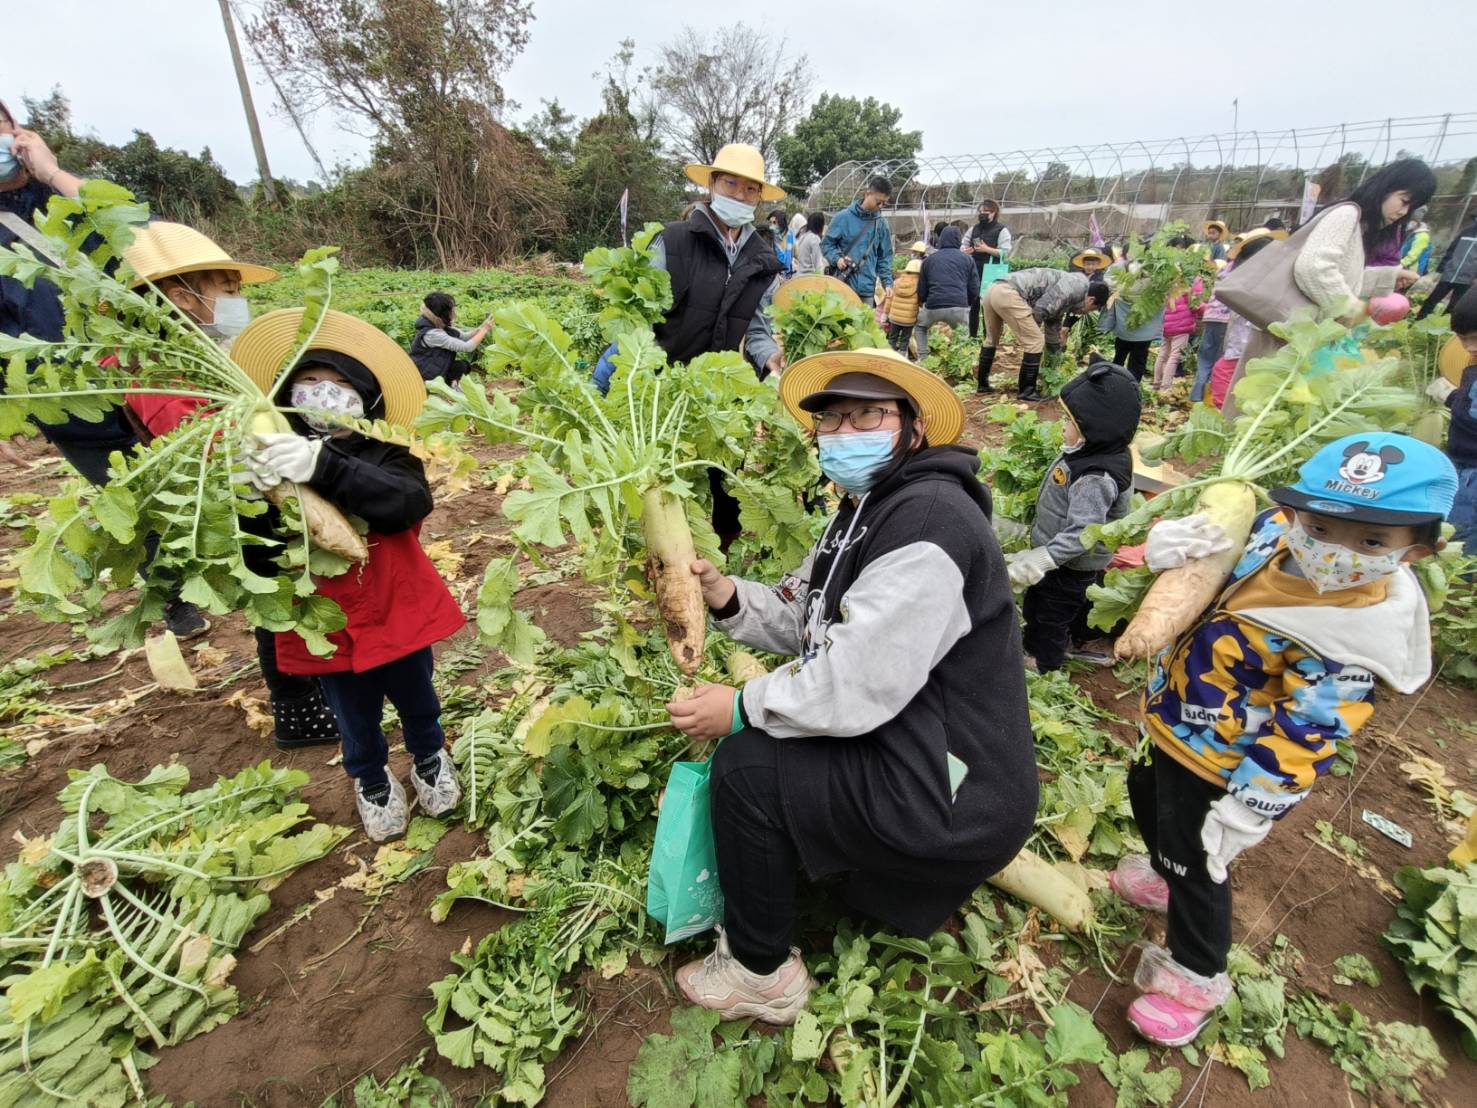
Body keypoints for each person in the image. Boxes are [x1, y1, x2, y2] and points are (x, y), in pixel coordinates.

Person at [665, 347, 1037, 1024]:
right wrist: (724, 598)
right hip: (924, 748)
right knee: (769, 746)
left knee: (748, 767)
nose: (845, 435)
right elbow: (807, 616)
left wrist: (741, 707)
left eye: (867, 416)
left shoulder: (927, 526)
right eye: (832, 421)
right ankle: (861, 874)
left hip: (957, 795)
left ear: (913, 427)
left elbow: (853, 683)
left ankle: (759, 973)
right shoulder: (866, 507)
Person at [1118, 433, 1453, 1047]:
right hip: (1175, 723)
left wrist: (1248, 808)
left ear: (1417, 552)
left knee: (1200, 862)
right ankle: (1165, 871)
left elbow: (1307, 735)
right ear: (1297, 514)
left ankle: (1194, 976)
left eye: (1372, 541)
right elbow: (1214, 558)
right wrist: (1171, 546)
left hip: (1222, 766)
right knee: (1146, 798)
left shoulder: (1348, 643)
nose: (1335, 551)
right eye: (1322, 527)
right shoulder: (1276, 534)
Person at [235, 309, 466, 842]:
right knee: (351, 714)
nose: (325, 394)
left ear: (366, 396)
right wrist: (253, 498)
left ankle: (429, 757)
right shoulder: (270, 458)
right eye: (310, 383)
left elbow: (407, 504)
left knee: (419, 698)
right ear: (286, 393)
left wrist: (323, 466)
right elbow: (258, 561)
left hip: (395, 605)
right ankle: (371, 779)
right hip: (325, 620)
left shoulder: (388, 452)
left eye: (341, 385)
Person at [113, 221, 343, 749]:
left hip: (265, 491)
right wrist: (242, 460)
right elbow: (196, 447)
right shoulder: (159, 370)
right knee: (276, 607)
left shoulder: (212, 350)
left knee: (297, 593)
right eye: (230, 291)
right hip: (236, 510)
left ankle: (318, 693)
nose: (239, 301)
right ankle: (296, 712)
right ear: (182, 297)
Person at [0, 100, 215, 638]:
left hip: (160, 380)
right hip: (75, 405)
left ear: (19, 134)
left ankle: (230, 563)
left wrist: (52, 174)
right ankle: (172, 596)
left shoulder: (79, 200)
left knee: (213, 478)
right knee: (132, 500)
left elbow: (158, 241)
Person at [1223, 159, 1434, 416]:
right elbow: (1313, 268)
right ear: (1387, 188)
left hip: (1296, 334)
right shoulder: (1347, 215)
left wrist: (1387, 278)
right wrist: (1350, 307)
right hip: (1284, 331)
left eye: (1411, 208)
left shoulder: (1358, 225)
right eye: (1403, 201)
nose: (1403, 212)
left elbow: (1342, 276)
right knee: (1253, 413)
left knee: (1266, 414)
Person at [1006, 362, 1139, 669]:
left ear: (1095, 427)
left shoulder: (1095, 476)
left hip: (1069, 564)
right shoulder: (1093, 450)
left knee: (1047, 616)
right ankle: (1076, 639)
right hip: (1064, 559)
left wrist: (1042, 558)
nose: (1062, 425)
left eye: (1068, 420)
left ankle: (1041, 663)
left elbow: (1083, 533)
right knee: (1066, 606)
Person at [978, 269, 1109, 400]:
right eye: (1094, 309)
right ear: (1091, 300)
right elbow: (1042, 309)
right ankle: (1027, 391)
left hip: (993, 290)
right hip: (1009, 293)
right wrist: (1032, 333)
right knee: (1035, 341)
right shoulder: (1076, 286)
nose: (1086, 313)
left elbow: (1053, 320)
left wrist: (1055, 351)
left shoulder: (1071, 291)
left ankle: (983, 385)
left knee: (991, 339)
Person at [1425, 287, 1477, 546]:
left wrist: (1452, 397)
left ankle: (1459, 576)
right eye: (1462, 339)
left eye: (1475, 338)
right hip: (1461, 464)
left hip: (1473, 475)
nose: (1469, 347)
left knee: (1460, 532)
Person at [822, 175, 895, 304]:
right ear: (867, 194)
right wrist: (837, 258)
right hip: (842, 285)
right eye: (878, 201)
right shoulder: (843, 217)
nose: (881, 206)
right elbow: (827, 245)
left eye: (885, 203)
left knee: (864, 323)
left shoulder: (881, 224)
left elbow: (885, 257)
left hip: (866, 289)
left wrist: (887, 282)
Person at [913, 225, 978, 359]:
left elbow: (922, 288)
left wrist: (925, 301)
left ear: (940, 239)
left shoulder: (929, 260)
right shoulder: (968, 259)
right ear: (959, 240)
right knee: (962, 333)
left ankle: (923, 358)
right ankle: (959, 360)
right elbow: (974, 288)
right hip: (959, 305)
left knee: (921, 327)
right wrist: (968, 304)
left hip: (934, 305)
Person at [408, 292, 493, 385]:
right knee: (459, 367)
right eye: (452, 312)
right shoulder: (432, 334)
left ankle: (452, 383)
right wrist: (484, 330)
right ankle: (436, 387)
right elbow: (467, 347)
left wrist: (482, 327)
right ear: (442, 313)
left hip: (437, 365)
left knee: (463, 366)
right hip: (424, 373)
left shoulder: (438, 323)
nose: (454, 314)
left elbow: (464, 337)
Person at [963, 200, 1012, 336]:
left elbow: (1005, 252)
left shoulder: (1002, 230)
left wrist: (986, 249)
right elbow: (963, 244)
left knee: (989, 305)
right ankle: (972, 336)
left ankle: (989, 337)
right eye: (981, 212)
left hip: (992, 270)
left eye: (986, 212)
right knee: (973, 303)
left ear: (994, 213)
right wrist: (965, 250)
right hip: (974, 269)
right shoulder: (974, 229)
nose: (983, 214)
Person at [1415, 215, 1477, 320]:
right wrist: (1442, 268)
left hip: (1467, 278)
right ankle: (1418, 321)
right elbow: (1451, 250)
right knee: (1432, 300)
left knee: (1454, 306)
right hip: (1450, 273)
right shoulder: (1465, 232)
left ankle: (1442, 328)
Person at [1096, 291, 1162, 383]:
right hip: (1143, 335)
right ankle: (1132, 386)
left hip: (1124, 331)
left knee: (1119, 358)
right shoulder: (1153, 291)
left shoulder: (1124, 289)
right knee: (1137, 362)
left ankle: (1114, 382)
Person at [1152, 277, 1205, 391]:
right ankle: (1166, 386)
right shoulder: (1190, 286)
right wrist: (1208, 308)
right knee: (1175, 356)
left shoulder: (1168, 285)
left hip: (1166, 327)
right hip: (1181, 328)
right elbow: (1196, 306)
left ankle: (1156, 382)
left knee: (1163, 354)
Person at [886, 258, 922, 356]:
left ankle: (889, 356)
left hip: (894, 317)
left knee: (892, 338)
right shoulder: (919, 284)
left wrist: (886, 313)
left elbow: (889, 298)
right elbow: (921, 302)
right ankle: (901, 358)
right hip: (909, 320)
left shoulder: (897, 281)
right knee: (904, 341)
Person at [793, 211, 826, 277]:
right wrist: (820, 279)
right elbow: (818, 263)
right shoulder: (815, 238)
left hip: (799, 275)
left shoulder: (804, 236)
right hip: (810, 277)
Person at [1399, 211, 1433, 275]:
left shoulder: (1422, 236)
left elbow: (1413, 254)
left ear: (1417, 223)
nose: (1408, 223)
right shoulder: (1413, 234)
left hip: (1413, 270)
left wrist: (1400, 264)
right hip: (1406, 267)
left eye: (1410, 221)